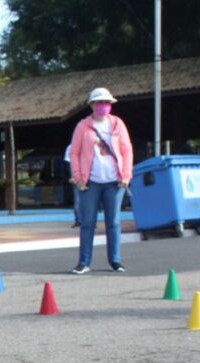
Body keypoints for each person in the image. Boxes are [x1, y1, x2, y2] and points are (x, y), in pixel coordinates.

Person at [68, 87, 133, 274]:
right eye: (99, 103)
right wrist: (78, 177)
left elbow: (126, 150)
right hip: (91, 182)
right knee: (87, 222)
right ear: (91, 105)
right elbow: (75, 152)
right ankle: (84, 262)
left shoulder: (117, 124)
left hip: (114, 181)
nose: (103, 106)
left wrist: (126, 175)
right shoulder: (83, 126)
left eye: (106, 103)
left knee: (113, 222)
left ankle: (115, 260)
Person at [64, 144, 80, 228]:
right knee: (78, 200)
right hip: (78, 177)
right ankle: (79, 220)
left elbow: (68, 163)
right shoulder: (71, 147)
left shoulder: (70, 146)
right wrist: (71, 177)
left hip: (84, 176)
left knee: (79, 200)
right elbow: (68, 163)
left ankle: (80, 221)